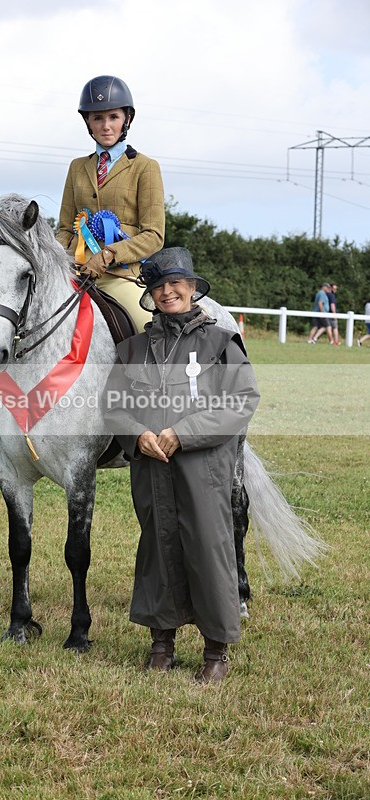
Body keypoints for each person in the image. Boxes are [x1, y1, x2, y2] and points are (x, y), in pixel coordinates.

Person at [103, 248, 260, 682]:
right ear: (150, 294)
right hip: (152, 468)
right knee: (157, 548)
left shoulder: (220, 342)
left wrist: (184, 433)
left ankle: (215, 652)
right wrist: (137, 435)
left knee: (209, 550)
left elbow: (241, 400)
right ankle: (161, 644)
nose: (168, 292)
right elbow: (113, 404)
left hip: (203, 468)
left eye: (177, 284)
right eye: (159, 286)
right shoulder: (132, 348)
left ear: (192, 289)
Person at [56, 75, 165, 333]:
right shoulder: (76, 167)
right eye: (97, 118)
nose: (106, 126)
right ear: (88, 123)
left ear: (126, 119)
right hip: (75, 273)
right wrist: (64, 258)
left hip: (121, 276)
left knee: (148, 328)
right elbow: (63, 229)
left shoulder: (145, 167)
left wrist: (108, 255)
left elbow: (154, 235)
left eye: (113, 117)